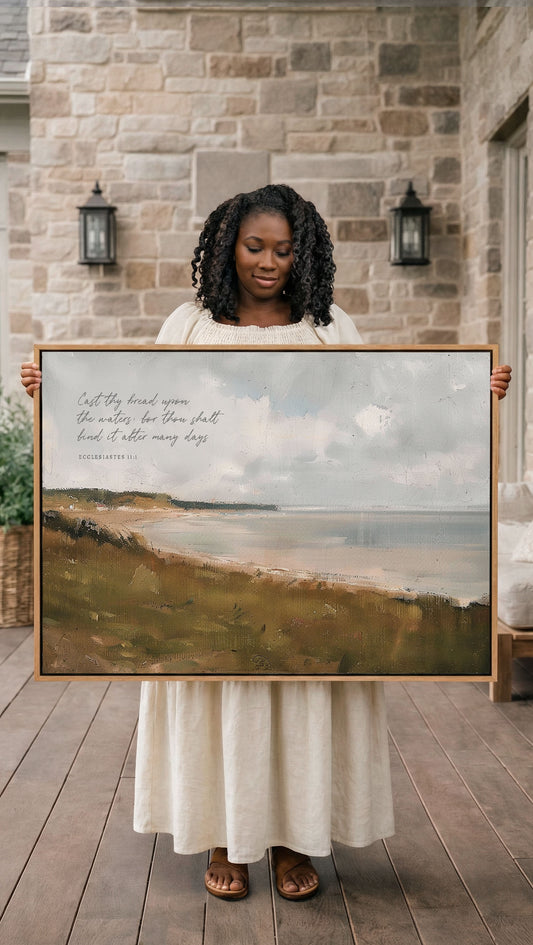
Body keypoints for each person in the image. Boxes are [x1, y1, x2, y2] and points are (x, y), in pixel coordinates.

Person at [22, 184, 512, 902]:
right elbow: (125, 428)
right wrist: (51, 391)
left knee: (301, 697)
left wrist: (468, 397)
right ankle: (224, 835)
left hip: (302, 550)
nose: (269, 263)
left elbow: (377, 416)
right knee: (219, 694)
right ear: (226, 246)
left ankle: (291, 839)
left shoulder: (327, 328)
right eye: (255, 246)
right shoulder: (186, 327)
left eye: (284, 249)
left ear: (302, 251)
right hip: (221, 567)